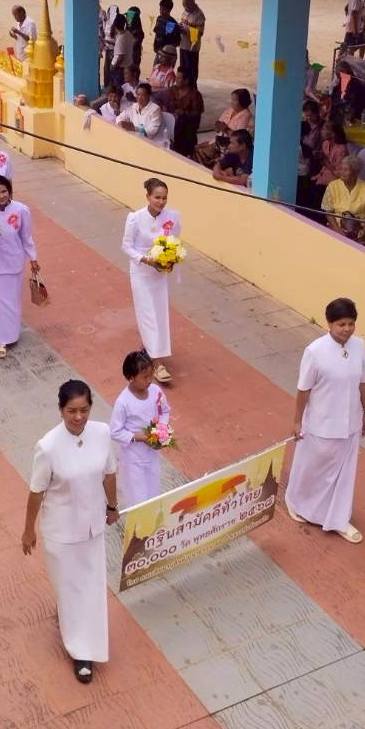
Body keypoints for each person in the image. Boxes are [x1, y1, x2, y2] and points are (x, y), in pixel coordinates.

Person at [22, 380, 118, 684]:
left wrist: (112, 507)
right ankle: (80, 653)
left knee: (90, 586)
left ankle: (86, 641)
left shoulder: (101, 433)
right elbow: (36, 491)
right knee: (70, 587)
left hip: (91, 526)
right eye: (72, 411)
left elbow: (109, 472)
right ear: (61, 410)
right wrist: (28, 531)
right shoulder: (48, 447)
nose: (79, 417)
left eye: (84, 410)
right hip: (61, 530)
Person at [286, 297, 365, 544]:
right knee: (312, 467)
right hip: (321, 423)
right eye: (341, 324)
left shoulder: (359, 347)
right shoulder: (315, 352)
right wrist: (297, 421)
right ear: (329, 324)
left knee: (343, 475)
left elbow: (364, 382)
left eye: (351, 324)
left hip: (350, 423)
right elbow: (304, 390)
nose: (346, 329)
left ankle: (337, 518)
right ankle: (298, 502)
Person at [121, 177, 180, 383]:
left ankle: (151, 346)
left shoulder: (172, 216)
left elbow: (175, 241)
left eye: (164, 198)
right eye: (157, 197)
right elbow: (127, 246)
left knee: (160, 312)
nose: (161, 202)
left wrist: (171, 259)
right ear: (147, 197)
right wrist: (146, 260)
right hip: (142, 272)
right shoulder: (135, 218)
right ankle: (157, 363)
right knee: (147, 313)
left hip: (160, 273)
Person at [0, 174, 39, 359]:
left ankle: (11, 335)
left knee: (12, 301)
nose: (0, 196)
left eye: (4, 191)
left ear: (9, 190)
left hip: (14, 260)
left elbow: (26, 237)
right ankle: (0, 340)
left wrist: (33, 258)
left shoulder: (21, 210)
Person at [110, 351, 169, 510]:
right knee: (138, 497)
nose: (149, 380)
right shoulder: (123, 402)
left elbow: (164, 411)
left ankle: (151, 528)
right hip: (133, 459)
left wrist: (161, 431)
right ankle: (138, 531)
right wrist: (141, 437)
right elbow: (115, 431)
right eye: (144, 377)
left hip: (151, 454)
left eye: (151, 375)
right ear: (131, 377)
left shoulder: (156, 391)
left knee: (152, 491)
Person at [321, 157, 365, 244]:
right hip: (336, 227)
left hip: (358, 229)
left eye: (346, 170)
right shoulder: (333, 186)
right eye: (341, 169)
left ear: (355, 172)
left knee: (361, 252)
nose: (342, 173)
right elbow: (328, 211)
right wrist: (338, 230)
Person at [194, 88, 254, 168]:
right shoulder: (229, 110)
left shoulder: (246, 116)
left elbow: (239, 137)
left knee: (200, 153)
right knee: (195, 148)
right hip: (218, 141)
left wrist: (226, 129)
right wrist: (218, 126)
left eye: (234, 100)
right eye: (231, 100)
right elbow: (219, 125)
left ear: (242, 101)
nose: (231, 102)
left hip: (228, 147)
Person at [165, 72, 204, 157]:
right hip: (172, 123)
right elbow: (166, 104)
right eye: (176, 77)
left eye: (179, 78)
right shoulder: (172, 90)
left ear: (186, 81)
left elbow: (197, 113)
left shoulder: (195, 95)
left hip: (187, 127)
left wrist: (185, 113)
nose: (176, 80)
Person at [178, 0, 206, 85]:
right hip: (183, 45)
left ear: (192, 4)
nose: (185, 9)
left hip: (192, 48)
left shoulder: (200, 15)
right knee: (183, 68)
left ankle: (192, 88)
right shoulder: (185, 11)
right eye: (184, 7)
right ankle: (183, 86)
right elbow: (183, 23)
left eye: (187, 7)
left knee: (191, 70)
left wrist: (185, 31)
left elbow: (200, 33)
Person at [109, 14, 133, 86]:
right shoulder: (128, 34)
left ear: (115, 25)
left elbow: (120, 57)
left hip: (119, 68)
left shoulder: (121, 39)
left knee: (117, 88)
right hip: (127, 65)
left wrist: (114, 67)